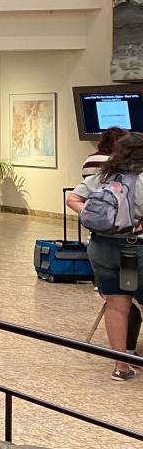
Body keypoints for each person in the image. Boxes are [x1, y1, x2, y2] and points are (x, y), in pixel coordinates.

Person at [66, 132, 143, 381]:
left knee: (116, 304)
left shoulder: (103, 176)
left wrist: (91, 215)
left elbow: (72, 198)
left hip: (101, 247)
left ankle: (121, 366)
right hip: (134, 249)